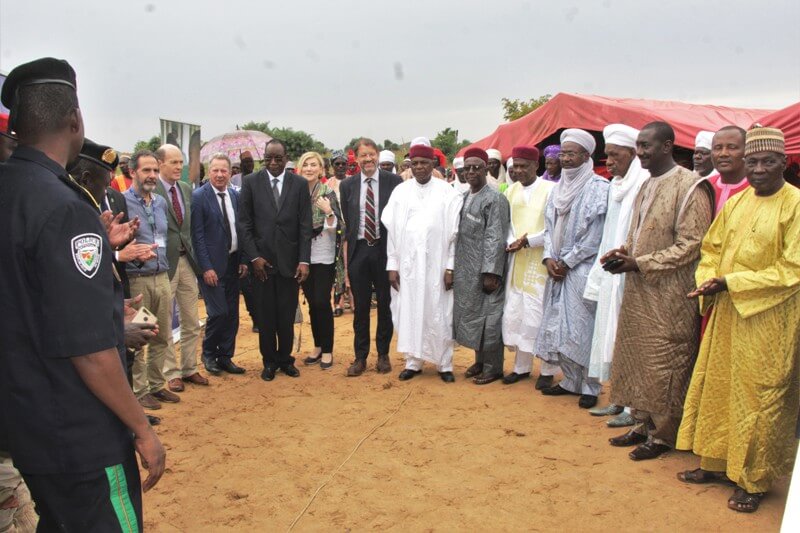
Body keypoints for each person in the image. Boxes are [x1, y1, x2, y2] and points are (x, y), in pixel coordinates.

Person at [0, 56, 164, 531]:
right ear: (75, 121)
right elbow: (89, 349)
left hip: (25, 423)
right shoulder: (66, 208)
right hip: (78, 433)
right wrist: (140, 428)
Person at [677, 126, 800, 513]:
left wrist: (733, 281)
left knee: (760, 396)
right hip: (728, 311)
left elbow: (793, 268)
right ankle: (715, 463)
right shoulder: (736, 202)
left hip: (770, 318)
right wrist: (708, 280)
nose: (759, 168)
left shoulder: (795, 204)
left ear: (784, 162)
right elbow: (711, 249)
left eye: (768, 161)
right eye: (753, 161)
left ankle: (754, 478)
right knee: (719, 386)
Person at [603, 121, 713, 461]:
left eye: (647, 146)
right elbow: (639, 235)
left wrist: (639, 263)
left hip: (671, 294)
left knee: (666, 361)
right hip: (640, 290)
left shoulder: (691, 186)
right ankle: (642, 421)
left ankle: (664, 434)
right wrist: (622, 253)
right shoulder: (646, 185)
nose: (641, 152)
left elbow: (692, 245)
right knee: (637, 357)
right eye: (638, 145)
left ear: (667, 146)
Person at [536, 129, 609, 408]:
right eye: (563, 153)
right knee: (559, 325)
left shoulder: (598, 188)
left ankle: (590, 386)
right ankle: (569, 381)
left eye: (571, 153)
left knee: (582, 326)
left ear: (586, 156)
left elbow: (594, 235)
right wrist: (547, 259)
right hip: (555, 267)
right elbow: (548, 229)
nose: (565, 158)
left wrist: (567, 261)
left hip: (581, 269)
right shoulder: (557, 190)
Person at [583, 125, 649, 426]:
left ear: (632, 154)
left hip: (634, 273)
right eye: (606, 155)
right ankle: (618, 399)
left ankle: (632, 407)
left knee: (627, 338)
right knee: (611, 337)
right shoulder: (616, 185)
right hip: (613, 271)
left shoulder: (643, 182)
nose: (608, 161)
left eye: (614, 155)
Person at [382, 143, 462, 383]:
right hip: (408, 267)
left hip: (437, 267)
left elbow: (454, 235)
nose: (419, 167)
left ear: (433, 164)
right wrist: (392, 265)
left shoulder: (448, 192)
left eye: (424, 163)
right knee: (410, 309)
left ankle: (444, 363)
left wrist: (450, 266)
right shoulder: (400, 192)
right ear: (409, 165)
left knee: (440, 311)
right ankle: (413, 361)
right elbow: (393, 233)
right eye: (414, 163)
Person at [240, 139, 312, 381]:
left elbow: (304, 226)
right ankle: (269, 361)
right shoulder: (250, 183)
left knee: (286, 316)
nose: (272, 163)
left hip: (290, 265)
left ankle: (285, 360)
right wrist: (254, 257)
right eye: (268, 158)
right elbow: (245, 225)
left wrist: (304, 260)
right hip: (262, 265)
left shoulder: (299, 184)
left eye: (278, 158)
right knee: (266, 317)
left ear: (286, 158)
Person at [339, 138, 402, 376]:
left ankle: (383, 354)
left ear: (378, 155)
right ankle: (360, 357)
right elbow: (350, 220)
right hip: (359, 251)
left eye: (371, 154)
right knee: (361, 307)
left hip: (384, 250)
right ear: (355, 158)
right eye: (363, 155)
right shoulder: (348, 186)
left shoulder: (394, 182)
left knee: (385, 304)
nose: (368, 159)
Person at [124, 150, 182, 409]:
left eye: (155, 171)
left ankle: (157, 384)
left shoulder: (159, 202)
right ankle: (140, 389)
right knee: (141, 335)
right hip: (139, 280)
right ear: (132, 172)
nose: (152, 176)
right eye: (146, 170)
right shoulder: (123, 202)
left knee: (162, 334)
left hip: (162, 276)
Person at [500, 146, 558, 387]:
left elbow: (555, 227)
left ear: (537, 165)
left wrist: (528, 241)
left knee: (540, 314)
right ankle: (521, 367)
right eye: (516, 166)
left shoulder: (552, 190)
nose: (519, 170)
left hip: (542, 262)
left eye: (525, 166)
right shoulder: (509, 191)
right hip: (517, 263)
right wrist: (511, 241)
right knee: (517, 313)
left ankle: (546, 371)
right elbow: (507, 225)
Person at [454, 147, 510, 385]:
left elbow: (495, 237)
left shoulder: (495, 198)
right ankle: (479, 361)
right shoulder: (465, 197)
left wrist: (491, 271)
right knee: (473, 316)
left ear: (487, 168)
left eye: (477, 167)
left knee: (490, 319)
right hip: (466, 269)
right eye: (468, 168)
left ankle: (493, 367)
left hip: (486, 270)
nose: (472, 172)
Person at [191, 153, 248, 376]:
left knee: (232, 314)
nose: (219, 174)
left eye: (224, 170)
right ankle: (208, 354)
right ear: (209, 170)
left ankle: (225, 356)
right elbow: (197, 237)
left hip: (234, 263)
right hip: (212, 267)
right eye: (215, 170)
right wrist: (206, 267)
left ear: (231, 173)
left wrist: (243, 260)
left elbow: (240, 231)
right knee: (218, 313)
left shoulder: (235, 196)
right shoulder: (199, 197)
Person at [155, 144, 205, 393]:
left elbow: (189, 228)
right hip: (164, 265)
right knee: (164, 322)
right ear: (160, 163)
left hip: (187, 262)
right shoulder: (151, 190)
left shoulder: (186, 189)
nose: (178, 167)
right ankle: (171, 373)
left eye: (180, 163)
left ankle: (189, 368)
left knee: (191, 320)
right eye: (173, 162)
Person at [297, 151, 343, 370]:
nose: (309, 169)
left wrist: (328, 212)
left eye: (313, 165)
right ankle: (317, 346)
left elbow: (339, 226)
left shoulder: (328, 192)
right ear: (299, 168)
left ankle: (327, 350)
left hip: (324, 255)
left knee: (322, 302)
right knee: (312, 304)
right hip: (303, 256)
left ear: (321, 169)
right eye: (305, 164)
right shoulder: (296, 193)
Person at [235, 151, 260, 330]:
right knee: (245, 284)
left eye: (250, 161)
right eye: (244, 162)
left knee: (256, 285)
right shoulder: (234, 180)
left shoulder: (259, 179)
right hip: (237, 238)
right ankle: (252, 316)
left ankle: (259, 317)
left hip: (255, 238)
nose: (248, 164)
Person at [708, 126, 749, 215]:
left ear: (747, 151)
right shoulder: (705, 186)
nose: (723, 154)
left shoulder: (758, 189)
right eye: (718, 148)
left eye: (732, 147)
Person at [328, 150, 350, 317]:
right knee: (338, 268)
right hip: (334, 232)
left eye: (343, 163)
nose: (341, 166)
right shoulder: (327, 186)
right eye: (337, 164)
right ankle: (339, 301)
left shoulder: (353, 182)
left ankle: (354, 299)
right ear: (332, 166)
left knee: (351, 266)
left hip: (352, 231)